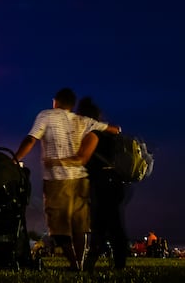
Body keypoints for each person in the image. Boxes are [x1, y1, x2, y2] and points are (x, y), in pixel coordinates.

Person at [15, 88, 119, 271]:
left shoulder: (46, 115)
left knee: (59, 226)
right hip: (80, 179)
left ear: (55, 101)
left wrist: (14, 159)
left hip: (57, 180)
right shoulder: (81, 120)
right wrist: (115, 130)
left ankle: (75, 264)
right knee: (80, 224)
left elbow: (31, 139)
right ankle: (80, 262)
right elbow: (111, 129)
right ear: (72, 105)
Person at [46, 97, 131, 271]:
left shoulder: (93, 134)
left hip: (103, 183)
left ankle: (108, 264)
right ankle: (94, 265)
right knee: (105, 224)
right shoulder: (108, 133)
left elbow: (83, 158)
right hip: (114, 182)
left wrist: (57, 161)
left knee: (108, 224)